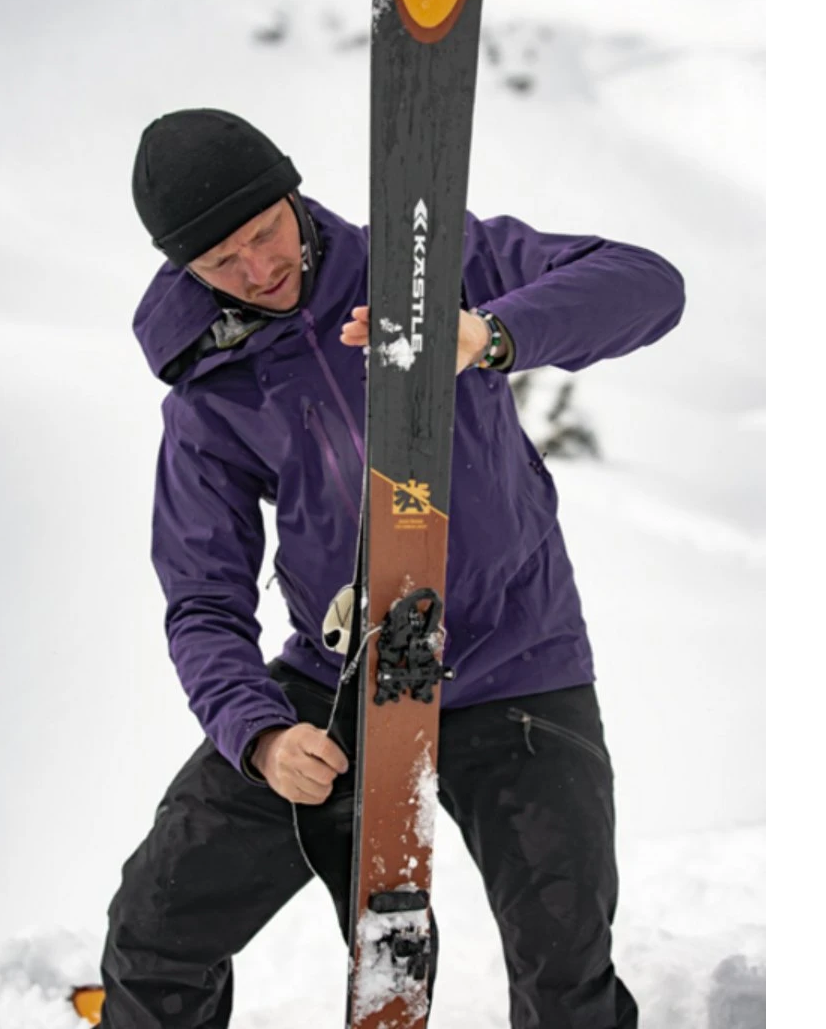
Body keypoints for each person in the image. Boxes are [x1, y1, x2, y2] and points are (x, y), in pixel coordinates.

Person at [99, 108, 685, 1028]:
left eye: (265, 232)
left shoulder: (427, 263)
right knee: (155, 928)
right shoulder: (210, 395)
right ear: (185, 271)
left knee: (564, 963)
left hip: (516, 661)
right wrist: (261, 736)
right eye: (221, 262)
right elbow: (202, 600)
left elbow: (649, 286)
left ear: (293, 197)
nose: (258, 269)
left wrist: (485, 333)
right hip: (341, 680)